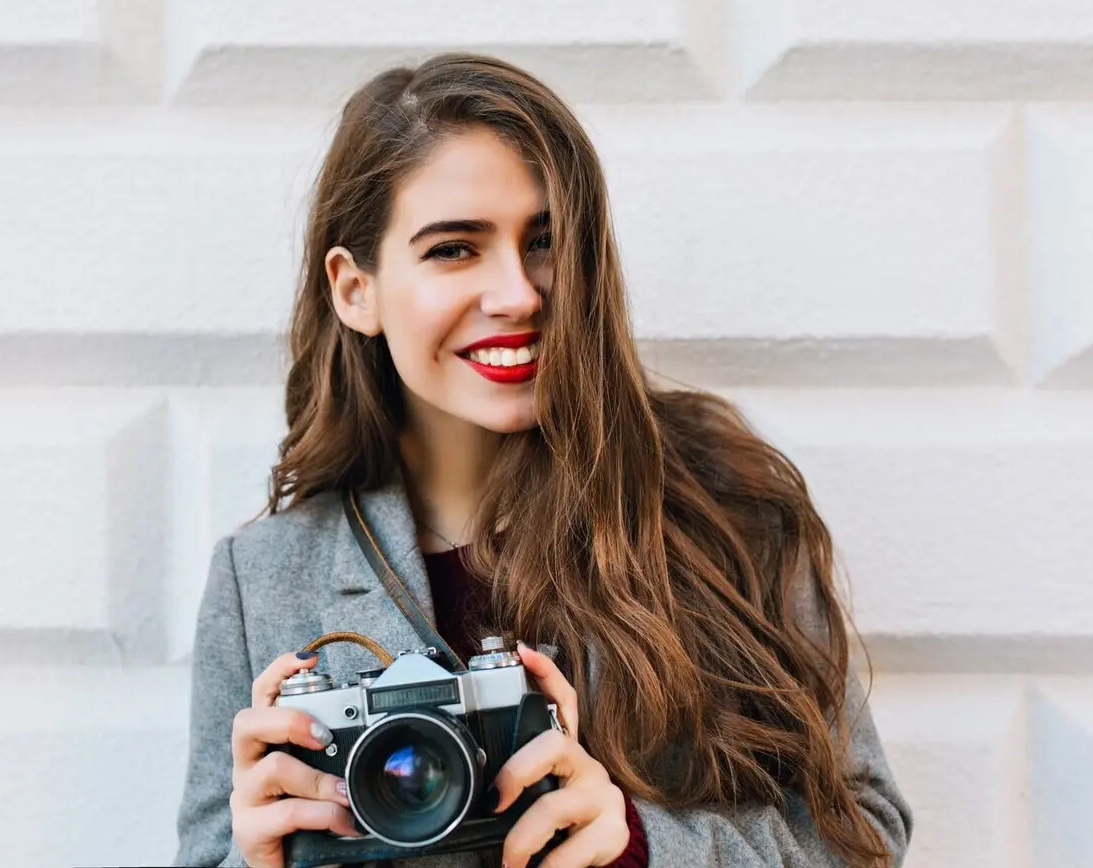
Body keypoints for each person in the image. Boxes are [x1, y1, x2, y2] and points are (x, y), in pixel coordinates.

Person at [173, 52, 913, 868]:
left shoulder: (728, 514)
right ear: (356, 290)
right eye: (455, 249)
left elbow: (864, 837)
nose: (520, 295)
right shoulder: (261, 581)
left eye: (546, 241)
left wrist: (635, 844)